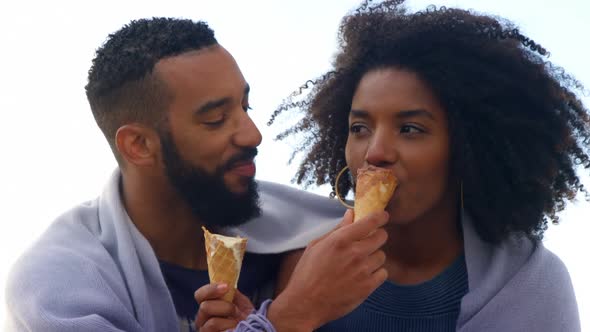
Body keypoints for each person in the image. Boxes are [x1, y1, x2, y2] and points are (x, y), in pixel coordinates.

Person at [197, 0, 588, 331]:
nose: (375, 152)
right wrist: (263, 322)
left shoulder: (531, 286)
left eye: (411, 128)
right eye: (360, 127)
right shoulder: (304, 262)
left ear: (470, 149)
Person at [5, 18, 391, 332]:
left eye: (246, 105)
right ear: (138, 145)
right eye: (216, 119)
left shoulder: (311, 231)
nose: (253, 134)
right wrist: (291, 316)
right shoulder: (58, 285)